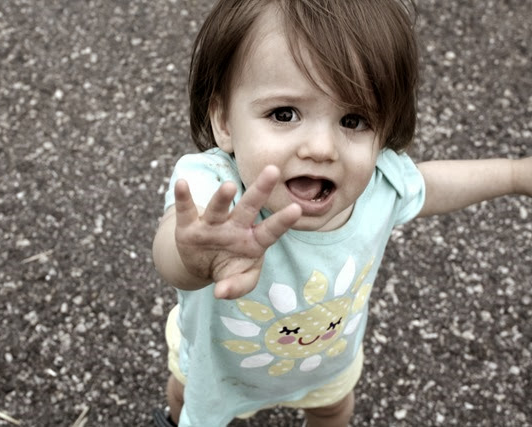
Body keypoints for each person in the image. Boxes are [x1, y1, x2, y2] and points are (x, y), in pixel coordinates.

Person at [151, 0, 532, 426]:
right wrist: (195, 257)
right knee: (186, 398)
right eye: (284, 114)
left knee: (333, 410)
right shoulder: (215, 190)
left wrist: (515, 174)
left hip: (326, 361)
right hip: (216, 368)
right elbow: (171, 249)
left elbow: (430, 184)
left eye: (353, 120)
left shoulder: (377, 185)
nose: (322, 148)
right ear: (223, 120)